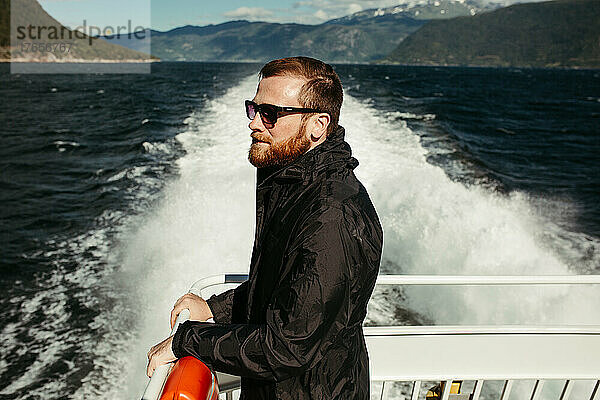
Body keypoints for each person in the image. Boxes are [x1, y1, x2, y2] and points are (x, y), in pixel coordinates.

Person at [147, 56, 383, 399]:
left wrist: (188, 340)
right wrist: (217, 308)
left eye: (270, 114)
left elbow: (288, 346)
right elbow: (283, 289)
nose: (255, 123)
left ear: (317, 125)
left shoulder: (332, 218)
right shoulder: (292, 182)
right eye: (253, 108)